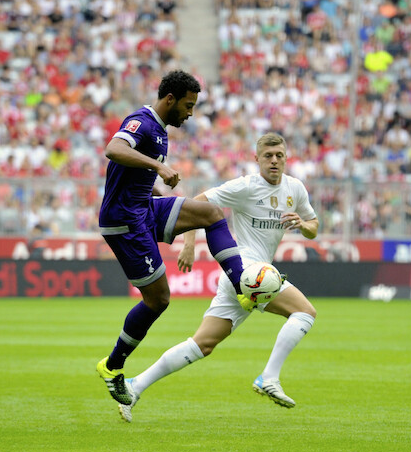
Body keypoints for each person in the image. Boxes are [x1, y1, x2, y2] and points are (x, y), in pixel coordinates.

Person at [117, 133, 320, 422]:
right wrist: (189, 243)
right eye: (268, 156)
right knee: (305, 312)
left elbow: (313, 225)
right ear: (257, 159)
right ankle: (269, 378)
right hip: (245, 269)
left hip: (245, 277)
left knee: (202, 344)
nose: (274, 161)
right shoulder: (245, 187)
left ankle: (135, 385)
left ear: (286, 157)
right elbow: (196, 203)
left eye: (279, 156)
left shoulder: (295, 189)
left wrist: (302, 224)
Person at [96, 70, 249, 405]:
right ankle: (112, 366)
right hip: (124, 221)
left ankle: (242, 286)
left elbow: (130, 174)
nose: (191, 113)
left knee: (209, 213)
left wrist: (151, 181)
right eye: (188, 105)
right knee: (159, 300)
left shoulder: (161, 131)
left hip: (142, 207)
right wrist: (160, 168)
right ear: (170, 100)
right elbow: (113, 148)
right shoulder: (142, 121)